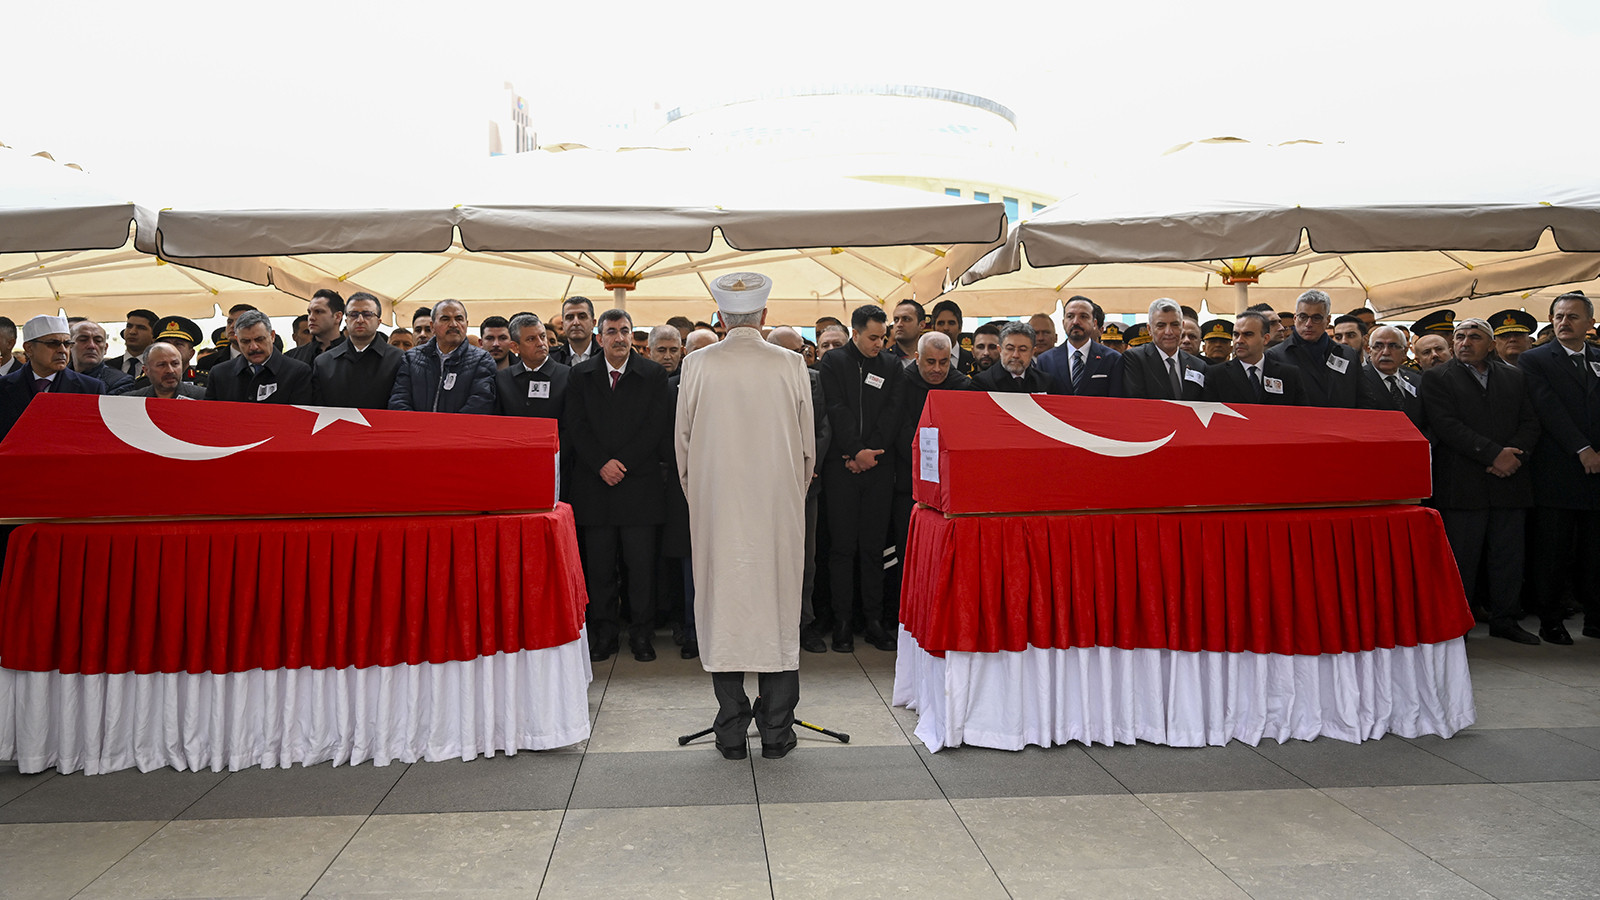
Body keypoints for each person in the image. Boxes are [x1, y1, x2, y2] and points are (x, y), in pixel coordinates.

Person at [676, 273, 814, 760]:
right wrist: (790, 496)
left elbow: (684, 447)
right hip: (777, 508)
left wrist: (702, 498)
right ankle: (776, 731)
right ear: (763, 317)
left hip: (716, 505)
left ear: (719, 318)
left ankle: (731, 730)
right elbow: (806, 449)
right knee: (776, 608)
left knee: (724, 610)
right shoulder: (791, 363)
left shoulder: (695, 364)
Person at [1422, 318, 1541, 644]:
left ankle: (1506, 619)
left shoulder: (1515, 376)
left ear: (1490, 345)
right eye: (1459, 337)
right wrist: (1493, 455)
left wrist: (1515, 456)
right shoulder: (1437, 378)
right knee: (1463, 559)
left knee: (1508, 558)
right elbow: (1446, 426)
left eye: (1474, 337)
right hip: (1463, 483)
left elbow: (1531, 421)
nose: (1464, 342)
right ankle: (1459, 625)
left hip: (1509, 481)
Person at [565, 307, 671, 662]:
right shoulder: (580, 375)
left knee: (641, 569)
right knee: (599, 569)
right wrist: (601, 464)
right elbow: (575, 426)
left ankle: (642, 635)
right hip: (595, 488)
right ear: (599, 338)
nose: (620, 337)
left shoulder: (652, 374)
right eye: (611, 331)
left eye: (625, 330)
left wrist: (621, 464)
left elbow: (655, 427)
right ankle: (603, 634)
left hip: (638, 486)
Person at [817, 303, 903, 653]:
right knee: (841, 548)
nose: (878, 344)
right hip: (842, 468)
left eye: (883, 338)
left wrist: (871, 454)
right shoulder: (834, 362)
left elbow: (892, 413)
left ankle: (873, 621)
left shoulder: (892, 365)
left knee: (872, 548)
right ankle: (842, 622)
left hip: (878, 468)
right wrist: (854, 451)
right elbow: (834, 410)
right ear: (854, 332)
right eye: (872, 338)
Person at [1519, 291, 1600, 643]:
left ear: (1590, 324)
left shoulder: (1598, 358)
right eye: (1558, 317)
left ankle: (1596, 618)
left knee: (1595, 552)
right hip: (1557, 471)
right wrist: (1582, 448)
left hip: (1597, 473)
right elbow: (1548, 409)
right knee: (1553, 552)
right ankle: (1551, 620)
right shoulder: (1534, 360)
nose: (1564, 323)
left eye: (1572, 317)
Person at [889, 331, 971, 638]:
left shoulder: (962, 385)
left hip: (949, 486)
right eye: (930, 363)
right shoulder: (902, 382)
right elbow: (898, 428)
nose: (936, 370)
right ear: (917, 359)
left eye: (943, 363)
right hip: (908, 481)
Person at [767, 326, 832, 654]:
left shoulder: (814, 379)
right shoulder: (758, 381)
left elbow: (821, 428)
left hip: (805, 485)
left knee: (804, 560)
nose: (800, 359)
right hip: (763, 487)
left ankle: (802, 624)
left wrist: (806, 468)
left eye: (802, 352)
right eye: (793, 352)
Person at [0, 315, 107, 439]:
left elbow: (94, 438)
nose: (62, 350)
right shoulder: (3, 387)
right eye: (53, 343)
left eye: (67, 344)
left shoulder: (90, 388)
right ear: (29, 348)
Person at [1265, 289, 1376, 408]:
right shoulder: (1275, 356)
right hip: (1300, 424)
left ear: (1327, 320)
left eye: (1316, 318)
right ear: (1295, 318)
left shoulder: (1348, 355)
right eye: (1303, 317)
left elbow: (1364, 401)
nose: (1308, 323)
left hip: (1343, 424)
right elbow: (1273, 406)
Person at [388, 299, 497, 414]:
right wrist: (420, 427)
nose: (454, 324)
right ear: (432, 326)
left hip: (458, 430)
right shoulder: (411, 358)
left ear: (467, 324)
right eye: (445, 319)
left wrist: (446, 429)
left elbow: (481, 402)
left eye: (459, 319)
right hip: (416, 429)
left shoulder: (482, 359)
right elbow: (399, 399)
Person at [312, 292, 403, 409]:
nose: (360, 320)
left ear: (378, 322)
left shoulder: (398, 359)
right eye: (353, 314)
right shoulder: (324, 363)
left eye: (367, 314)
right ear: (346, 321)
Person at [204, 310, 314, 404]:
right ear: (237, 340)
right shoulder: (219, 374)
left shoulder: (298, 372)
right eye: (245, 341)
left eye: (259, 339)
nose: (253, 347)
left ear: (272, 336)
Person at [1201, 310, 1305, 405]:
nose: (1239, 340)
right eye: (1236, 335)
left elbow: (1300, 415)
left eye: (1248, 334)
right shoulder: (1216, 375)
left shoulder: (1288, 375)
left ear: (1265, 338)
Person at [1120, 298, 1208, 400]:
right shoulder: (1135, 359)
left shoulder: (1198, 365)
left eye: (1175, 325)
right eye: (1161, 326)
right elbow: (1136, 400)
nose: (1169, 332)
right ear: (1149, 329)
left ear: (1182, 326)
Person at [1034, 296, 1122, 396]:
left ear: (1094, 323)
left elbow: (1116, 401)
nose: (1075, 322)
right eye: (1070, 316)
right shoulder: (1046, 360)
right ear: (1063, 323)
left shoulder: (1112, 359)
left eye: (1083, 316)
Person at [495, 313, 569, 420]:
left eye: (542, 336)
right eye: (531, 339)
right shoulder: (502, 379)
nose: (541, 343)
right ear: (515, 347)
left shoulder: (568, 376)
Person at [974, 321, 1067, 394]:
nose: (1015, 355)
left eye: (1022, 349)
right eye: (1010, 349)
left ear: (1032, 352)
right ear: (1000, 350)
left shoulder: (1045, 382)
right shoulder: (982, 383)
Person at [1364, 324, 1423, 429]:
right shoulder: (1359, 380)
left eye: (1393, 346)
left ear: (1404, 352)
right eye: (1378, 346)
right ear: (1370, 350)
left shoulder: (1416, 380)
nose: (1386, 352)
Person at [122, 341, 206, 399]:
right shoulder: (131, 400)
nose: (170, 370)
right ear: (146, 370)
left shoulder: (202, 397)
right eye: (162, 365)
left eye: (175, 364)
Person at [69, 320, 133, 393]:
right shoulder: (56, 376)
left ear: (105, 348)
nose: (91, 346)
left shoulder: (120, 382)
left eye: (98, 341)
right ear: (69, 346)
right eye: (83, 340)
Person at [287, 289, 345, 366]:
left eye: (318, 312)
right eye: (309, 312)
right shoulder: (292, 357)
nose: (311, 317)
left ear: (337, 317)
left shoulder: (356, 355)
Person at [196, 303, 258, 373]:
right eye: (229, 322)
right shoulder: (207, 362)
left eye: (240, 322)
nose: (232, 325)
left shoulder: (266, 357)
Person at [105, 308, 159, 378]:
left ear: (153, 336)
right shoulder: (107, 367)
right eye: (129, 326)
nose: (132, 332)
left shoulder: (159, 368)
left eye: (141, 328)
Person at [929, 299, 976, 375]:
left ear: (960, 328)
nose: (946, 328)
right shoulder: (924, 360)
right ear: (933, 328)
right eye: (941, 323)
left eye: (951, 323)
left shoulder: (973, 360)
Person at [551, 296, 599, 366]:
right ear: (563, 325)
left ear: (593, 323)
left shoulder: (608, 355)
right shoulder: (552, 359)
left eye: (582, 317)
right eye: (570, 317)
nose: (576, 322)